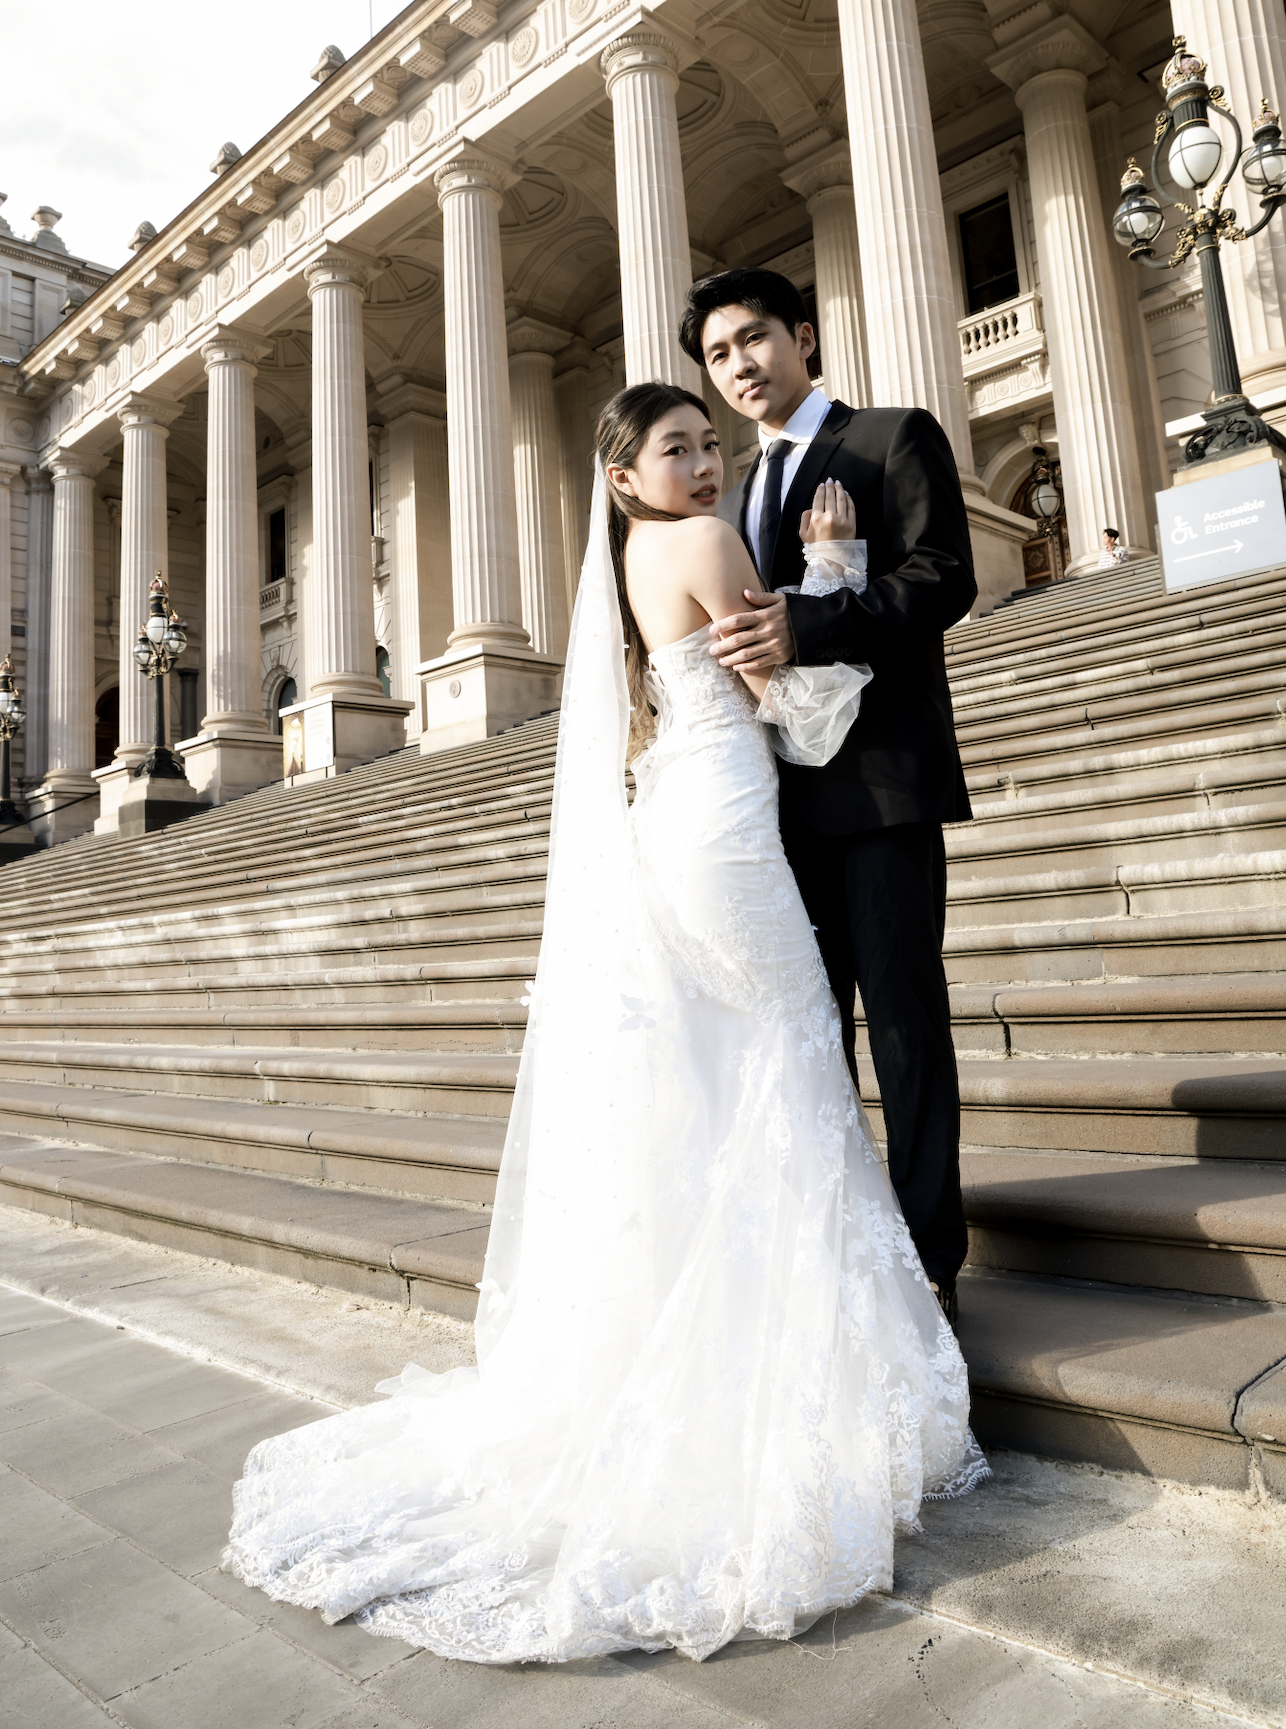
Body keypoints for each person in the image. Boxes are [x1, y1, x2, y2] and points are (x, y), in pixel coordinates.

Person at [223, 381, 986, 1667]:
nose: (703, 458)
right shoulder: (704, 540)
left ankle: (731, 1324)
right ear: (624, 475)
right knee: (793, 1065)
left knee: (749, 1072)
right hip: (735, 832)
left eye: (706, 441)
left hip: (678, 822)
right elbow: (805, 711)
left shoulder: (637, 553)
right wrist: (835, 566)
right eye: (675, 447)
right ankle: (808, 1357)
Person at [678, 267, 976, 1322]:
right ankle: (839, 1252)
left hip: (883, 791)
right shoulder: (737, 489)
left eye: (752, 339)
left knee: (903, 1028)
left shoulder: (891, 436)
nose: (739, 367)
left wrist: (815, 618)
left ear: (801, 335)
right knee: (808, 1039)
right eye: (717, 356)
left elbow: (945, 578)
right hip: (779, 811)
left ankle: (931, 1257)